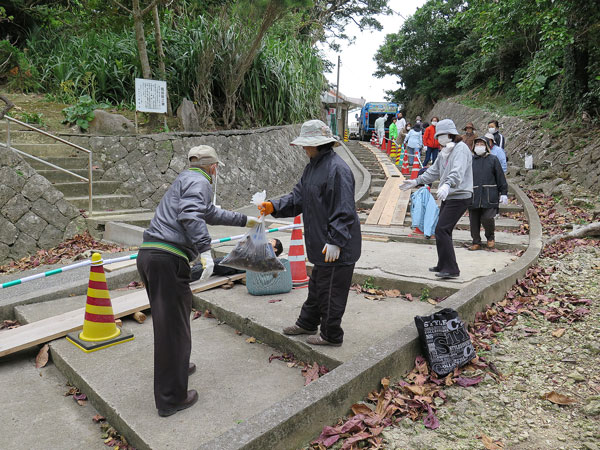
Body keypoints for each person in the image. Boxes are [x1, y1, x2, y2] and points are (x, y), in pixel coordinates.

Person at [137, 145, 259, 417]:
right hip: (167, 259)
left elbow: (210, 213)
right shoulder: (200, 181)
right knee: (174, 329)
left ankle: (178, 366)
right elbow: (191, 215)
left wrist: (245, 220)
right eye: (217, 168)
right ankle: (171, 399)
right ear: (213, 167)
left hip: (152, 257)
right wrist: (205, 250)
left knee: (172, 323)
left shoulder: (185, 179)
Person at [258, 119, 361, 347]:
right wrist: (274, 206)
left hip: (337, 248)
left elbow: (344, 210)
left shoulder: (338, 170)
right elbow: (298, 198)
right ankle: (307, 322)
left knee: (331, 292)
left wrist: (336, 240)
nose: (303, 149)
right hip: (322, 244)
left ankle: (331, 334)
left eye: (306, 144)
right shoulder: (313, 167)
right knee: (317, 286)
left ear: (318, 144)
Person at [400, 119, 473, 279]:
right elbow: (433, 171)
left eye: (441, 135)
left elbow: (458, 171)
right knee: (442, 230)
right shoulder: (445, 151)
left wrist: (447, 184)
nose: (438, 139)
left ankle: (451, 269)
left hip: (460, 195)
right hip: (449, 195)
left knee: (442, 229)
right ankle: (443, 264)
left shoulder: (460, 149)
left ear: (450, 134)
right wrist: (416, 181)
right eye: (437, 136)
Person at [468, 136, 508, 251]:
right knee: (473, 220)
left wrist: (504, 192)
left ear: (486, 146)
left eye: (482, 144)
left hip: (489, 195)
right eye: (477, 144)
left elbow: (500, 177)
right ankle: (476, 242)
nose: (479, 146)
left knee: (488, 218)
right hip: (474, 194)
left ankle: (490, 237)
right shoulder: (470, 160)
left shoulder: (493, 159)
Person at [190, 238, 283, 281]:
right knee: (204, 264)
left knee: (207, 266)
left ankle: (185, 277)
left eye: (270, 243)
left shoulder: (269, 258)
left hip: (232, 266)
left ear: (275, 249)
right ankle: (186, 273)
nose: (267, 243)